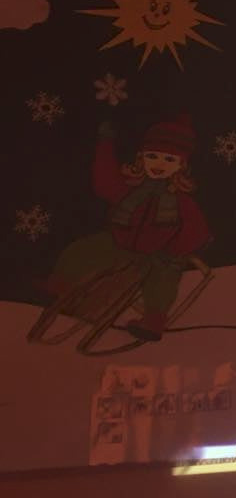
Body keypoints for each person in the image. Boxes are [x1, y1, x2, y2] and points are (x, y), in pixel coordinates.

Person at [40, 114, 211, 341]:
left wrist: (174, 250)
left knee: (163, 278)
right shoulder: (131, 187)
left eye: (169, 160)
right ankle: (60, 288)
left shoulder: (181, 201)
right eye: (152, 156)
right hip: (120, 243)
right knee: (81, 250)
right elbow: (104, 182)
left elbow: (197, 230)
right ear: (141, 158)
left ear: (181, 165)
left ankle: (153, 321)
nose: (159, 165)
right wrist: (105, 144)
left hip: (156, 254)